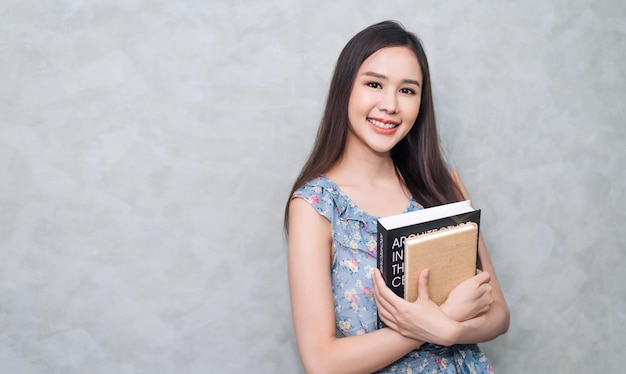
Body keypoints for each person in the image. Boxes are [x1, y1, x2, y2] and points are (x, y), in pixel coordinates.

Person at [284, 20, 509, 373]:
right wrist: (437, 323)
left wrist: (448, 329)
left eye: (407, 90)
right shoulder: (315, 207)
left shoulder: (441, 179)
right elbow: (321, 362)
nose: (390, 105)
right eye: (374, 84)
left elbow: (498, 314)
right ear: (345, 89)